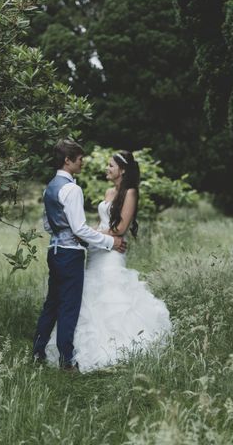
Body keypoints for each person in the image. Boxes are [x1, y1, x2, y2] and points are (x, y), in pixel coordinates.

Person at [45, 150, 172, 372]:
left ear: (122, 170)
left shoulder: (130, 193)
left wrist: (92, 234)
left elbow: (121, 228)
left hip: (112, 254)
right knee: (89, 297)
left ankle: (115, 346)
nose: (107, 168)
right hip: (97, 251)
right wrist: (92, 234)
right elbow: (103, 223)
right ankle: (76, 349)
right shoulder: (108, 191)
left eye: (110, 165)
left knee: (111, 295)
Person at [33, 139, 126, 370]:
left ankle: (37, 352)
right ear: (68, 160)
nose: (82, 162)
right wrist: (109, 242)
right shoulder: (72, 189)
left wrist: (63, 231)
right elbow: (80, 229)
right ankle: (67, 361)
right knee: (69, 307)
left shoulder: (50, 188)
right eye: (80, 158)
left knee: (52, 304)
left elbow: (48, 225)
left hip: (54, 251)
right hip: (70, 255)